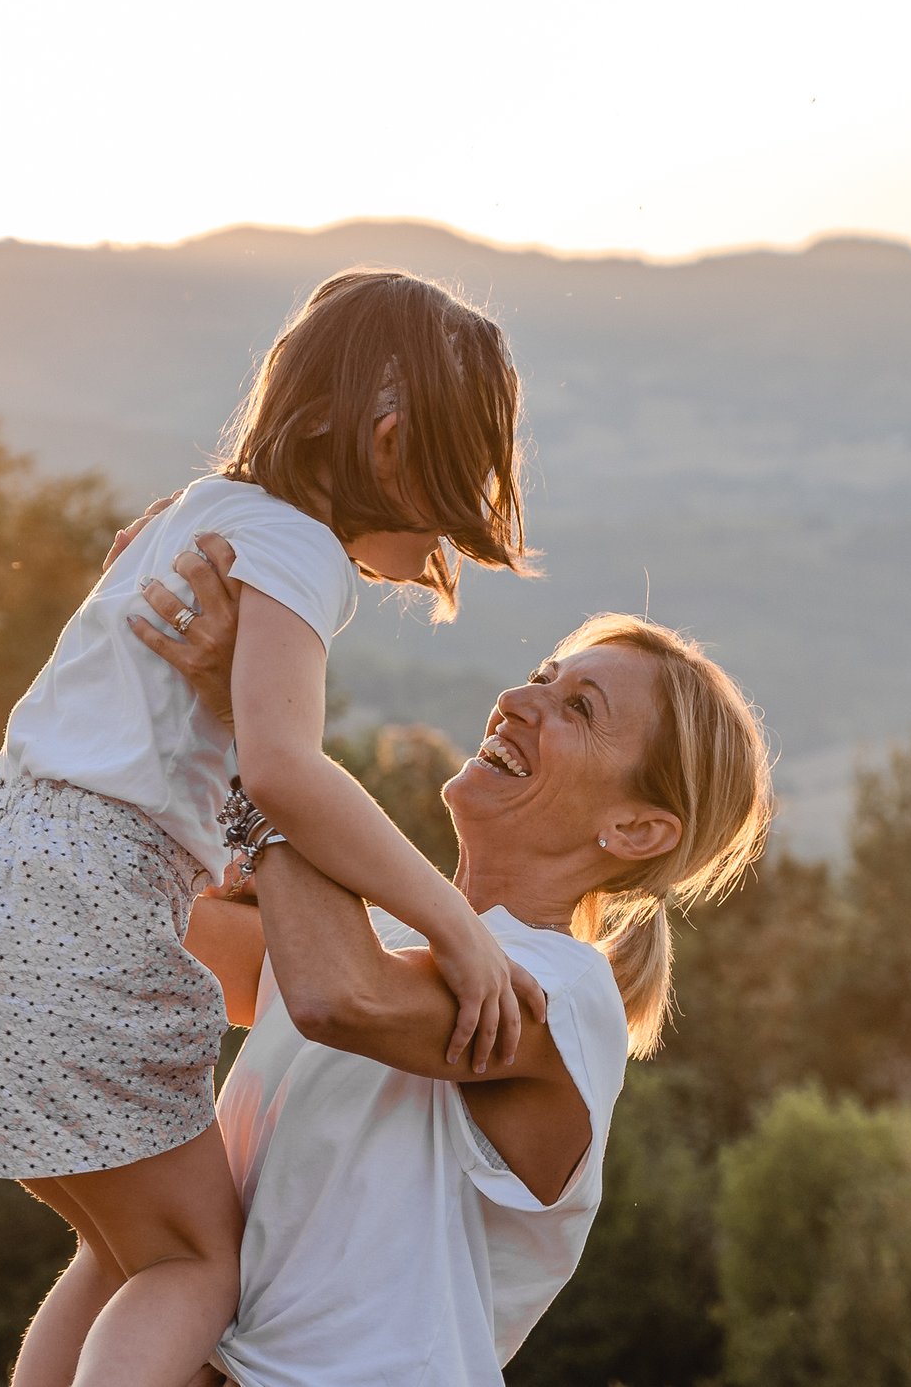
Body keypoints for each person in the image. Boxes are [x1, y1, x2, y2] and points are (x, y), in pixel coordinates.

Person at [0, 268, 542, 1387]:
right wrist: (451, 925)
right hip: (68, 916)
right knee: (192, 1265)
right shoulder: (295, 550)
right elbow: (285, 770)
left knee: (126, 1249)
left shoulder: (199, 512)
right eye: (460, 465)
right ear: (387, 444)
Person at [136, 538, 773, 1386]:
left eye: (578, 706)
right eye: (544, 674)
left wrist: (258, 734)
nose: (517, 698)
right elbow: (133, 938)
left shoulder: (569, 996)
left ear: (635, 830)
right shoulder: (384, 937)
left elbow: (340, 997)